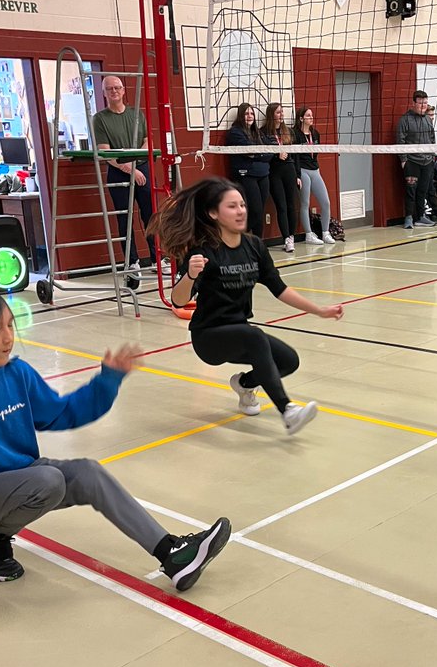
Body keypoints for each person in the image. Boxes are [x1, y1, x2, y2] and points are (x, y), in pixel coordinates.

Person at [0, 286, 232, 588]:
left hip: (14, 480)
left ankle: (170, 553)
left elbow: (62, 413)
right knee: (48, 480)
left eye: (9, 325)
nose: (7, 337)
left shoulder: (16, 373)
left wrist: (106, 381)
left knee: (87, 473)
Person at [147, 177, 343, 435]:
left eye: (242, 205)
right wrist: (190, 275)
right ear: (214, 213)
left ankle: (244, 384)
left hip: (239, 330)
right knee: (255, 337)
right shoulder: (204, 251)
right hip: (208, 336)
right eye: (232, 206)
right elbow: (178, 300)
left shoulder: (254, 246)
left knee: (288, 361)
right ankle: (288, 411)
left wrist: (320, 310)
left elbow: (280, 289)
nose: (240, 211)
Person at [91, 76, 158, 271]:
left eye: (117, 88)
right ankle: (132, 261)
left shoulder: (137, 114)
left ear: (123, 90)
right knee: (125, 217)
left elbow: (147, 142)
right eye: (109, 89)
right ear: (104, 93)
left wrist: (137, 164)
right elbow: (105, 152)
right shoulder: (100, 119)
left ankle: (157, 259)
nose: (114, 91)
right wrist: (129, 169)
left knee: (151, 216)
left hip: (142, 169)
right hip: (119, 172)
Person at [226, 102, 274, 241]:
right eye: (246, 113)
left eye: (252, 113)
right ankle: (235, 239)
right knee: (255, 210)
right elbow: (248, 150)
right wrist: (260, 153)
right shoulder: (235, 132)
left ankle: (258, 244)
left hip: (263, 175)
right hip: (246, 175)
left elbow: (270, 151)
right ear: (241, 115)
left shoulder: (257, 132)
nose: (250, 116)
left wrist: (257, 155)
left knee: (260, 212)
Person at [291, 107, 335, 246]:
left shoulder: (315, 133)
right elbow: (295, 156)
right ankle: (309, 235)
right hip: (303, 170)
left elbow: (315, 153)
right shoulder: (295, 134)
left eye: (312, 115)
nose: (311, 117)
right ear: (301, 118)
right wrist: (297, 174)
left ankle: (325, 232)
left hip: (315, 170)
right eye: (308, 115)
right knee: (305, 203)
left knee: (326, 202)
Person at [396, 90, 437, 229]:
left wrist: (432, 157)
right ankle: (408, 218)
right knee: (410, 190)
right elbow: (400, 140)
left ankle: (420, 217)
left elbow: (432, 139)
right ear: (414, 103)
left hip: (427, 161)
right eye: (420, 103)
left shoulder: (427, 119)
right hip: (412, 161)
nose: (423, 105)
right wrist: (403, 159)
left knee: (423, 191)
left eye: (425, 103)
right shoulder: (405, 119)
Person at [262, 102, 300, 252]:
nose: (281, 115)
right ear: (271, 115)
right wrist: (275, 154)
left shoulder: (288, 131)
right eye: (278, 112)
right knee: (281, 206)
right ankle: (286, 238)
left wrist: (298, 175)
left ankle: (291, 236)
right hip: (274, 171)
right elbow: (262, 153)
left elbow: (295, 155)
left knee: (292, 205)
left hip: (289, 170)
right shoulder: (264, 132)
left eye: (282, 112)